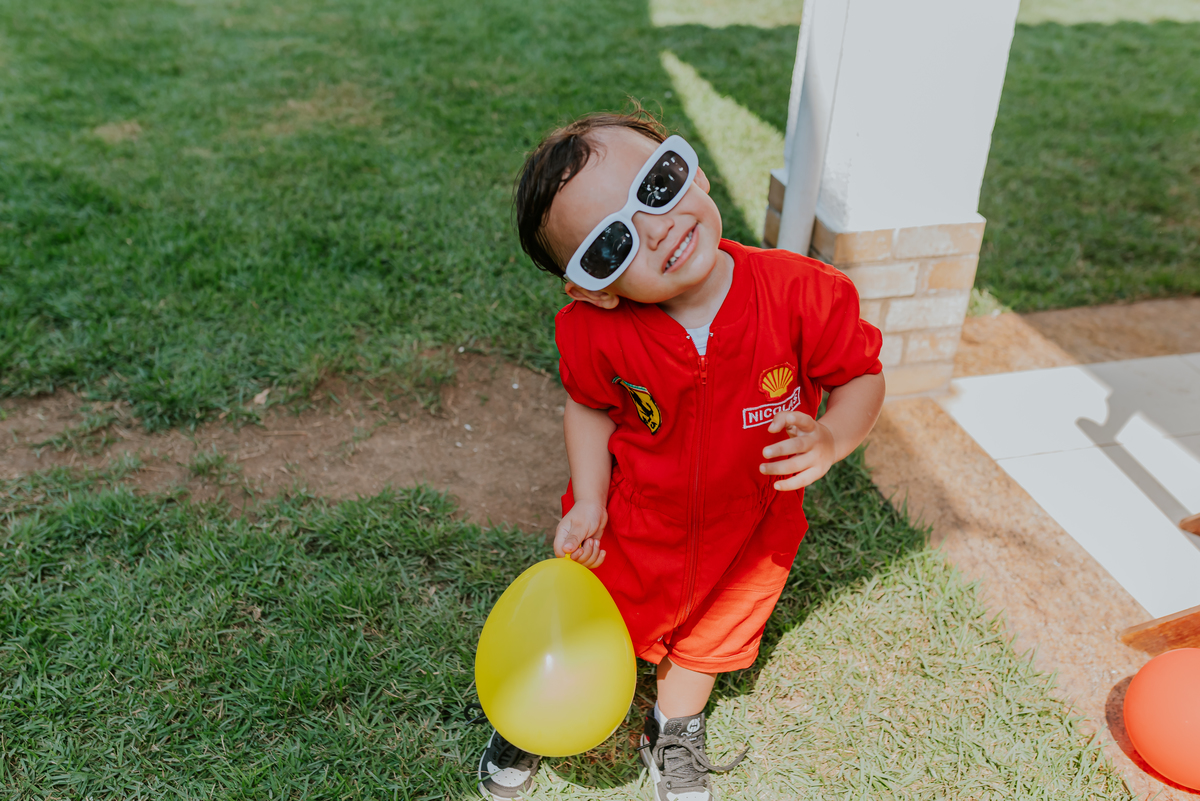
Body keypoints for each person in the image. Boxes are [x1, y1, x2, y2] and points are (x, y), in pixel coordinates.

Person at [478, 107, 885, 801]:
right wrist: (591, 499)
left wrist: (834, 435)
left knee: (708, 640)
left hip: (749, 534)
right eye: (612, 244)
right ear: (595, 290)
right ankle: (532, 713)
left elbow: (861, 376)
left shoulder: (800, 293)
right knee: (584, 622)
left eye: (657, 186)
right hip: (629, 528)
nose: (656, 227)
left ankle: (674, 725)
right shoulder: (596, 334)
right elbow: (589, 406)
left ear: (690, 170)